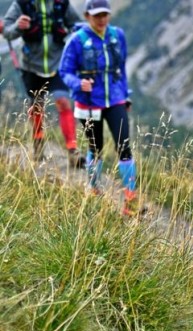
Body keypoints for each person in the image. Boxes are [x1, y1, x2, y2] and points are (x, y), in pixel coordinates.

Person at [59, 0, 140, 216]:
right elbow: (64, 71)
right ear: (87, 16)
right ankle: (94, 189)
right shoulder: (77, 40)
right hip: (88, 102)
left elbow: (120, 69)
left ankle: (130, 201)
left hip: (115, 100)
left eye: (105, 14)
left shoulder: (117, 36)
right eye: (96, 15)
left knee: (124, 146)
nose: (101, 19)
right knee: (96, 148)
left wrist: (126, 95)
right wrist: (78, 84)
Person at [3, 0, 85, 167]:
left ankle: (72, 151)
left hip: (58, 65)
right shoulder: (21, 4)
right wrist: (18, 27)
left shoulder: (61, 4)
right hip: (31, 67)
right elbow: (6, 30)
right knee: (37, 106)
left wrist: (77, 31)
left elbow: (78, 25)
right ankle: (38, 142)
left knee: (63, 102)